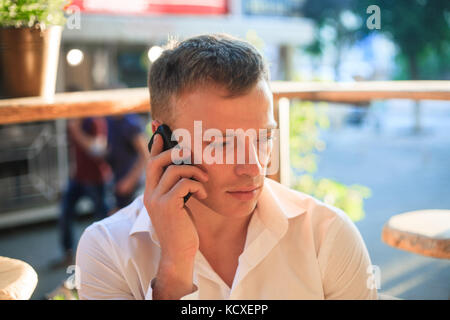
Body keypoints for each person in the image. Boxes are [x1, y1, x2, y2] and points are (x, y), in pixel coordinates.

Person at [76, 34, 378, 300]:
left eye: (264, 137)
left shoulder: (326, 235)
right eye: (221, 143)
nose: (253, 168)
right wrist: (174, 268)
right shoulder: (106, 250)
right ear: (164, 141)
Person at [50, 117, 111, 269]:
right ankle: (68, 255)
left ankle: (109, 258)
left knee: (103, 221)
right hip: (77, 178)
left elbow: (97, 150)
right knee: (65, 214)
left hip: (96, 179)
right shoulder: (73, 123)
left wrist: (76, 132)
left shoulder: (94, 122)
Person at [105, 115, 149, 212]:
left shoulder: (130, 123)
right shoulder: (110, 120)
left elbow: (145, 153)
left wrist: (130, 181)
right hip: (118, 182)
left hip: (132, 187)